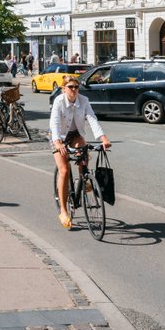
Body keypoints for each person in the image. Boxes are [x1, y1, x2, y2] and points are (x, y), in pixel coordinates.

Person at [49, 76, 110, 229]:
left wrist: (103, 138)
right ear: (64, 88)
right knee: (64, 170)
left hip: (76, 134)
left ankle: (85, 179)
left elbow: (92, 119)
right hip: (59, 137)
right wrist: (57, 142)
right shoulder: (59, 101)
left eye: (76, 87)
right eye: (70, 87)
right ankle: (63, 211)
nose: (74, 90)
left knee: (83, 150)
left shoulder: (84, 100)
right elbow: (54, 122)